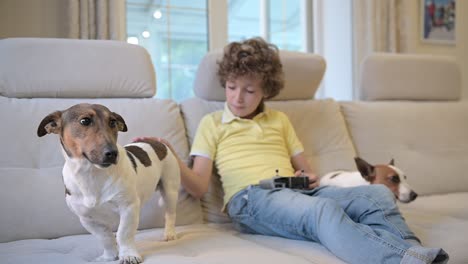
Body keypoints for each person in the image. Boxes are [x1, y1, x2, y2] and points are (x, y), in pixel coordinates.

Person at [135, 37, 448, 264]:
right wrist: (172, 158)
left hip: (296, 192)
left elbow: (307, 169)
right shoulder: (212, 123)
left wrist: (306, 176)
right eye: (231, 87)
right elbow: (200, 186)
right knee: (324, 212)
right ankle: (404, 260)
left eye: (249, 90)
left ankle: (412, 253)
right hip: (250, 199)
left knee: (378, 195)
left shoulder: (280, 120)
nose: (238, 98)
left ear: (266, 90)